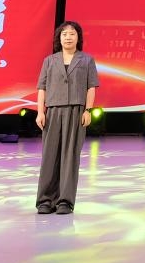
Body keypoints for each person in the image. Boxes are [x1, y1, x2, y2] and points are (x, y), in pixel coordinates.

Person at [35, 20, 100, 215]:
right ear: (59, 38)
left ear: (78, 38)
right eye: (64, 34)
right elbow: (42, 88)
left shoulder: (86, 60)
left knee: (70, 157)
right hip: (53, 111)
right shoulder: (49, 60)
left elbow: (91, 87)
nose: (68, 37)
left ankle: (65, 201)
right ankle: (45, 200)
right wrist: (40, 112)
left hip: (76, 111)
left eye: (72, 34)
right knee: (50, 157)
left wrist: (88, 110)